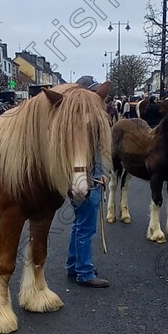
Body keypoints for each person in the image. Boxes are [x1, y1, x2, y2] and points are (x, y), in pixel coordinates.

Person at [66, 79, 109, 288]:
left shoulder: (73, 121)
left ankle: (74, 264)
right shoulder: (90, 123)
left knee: (78, 224)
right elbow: (96, 153)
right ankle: (84, 271)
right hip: (87, 178)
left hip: (76, 178)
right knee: (86, 227)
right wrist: (100, 173)